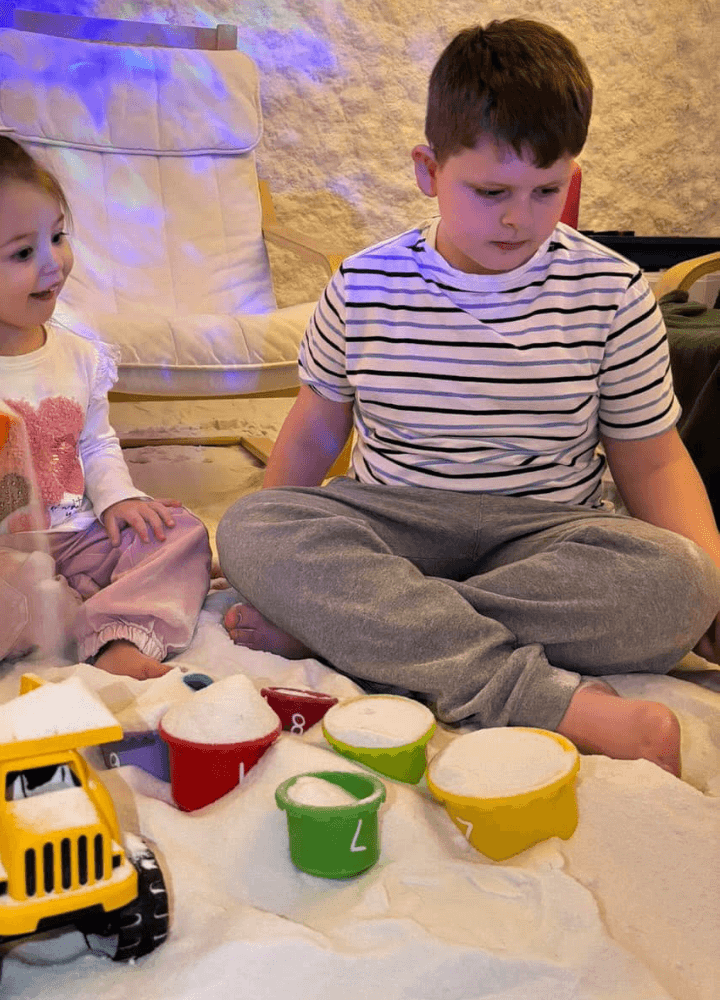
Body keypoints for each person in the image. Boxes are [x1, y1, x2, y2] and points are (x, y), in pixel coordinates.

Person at [215, 20, 720, 776]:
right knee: (252, 527)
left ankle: (362, 630)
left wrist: (711, 587)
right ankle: (542, 697)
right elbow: (315, 433)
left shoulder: (614, 291)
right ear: (428, 170)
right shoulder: (363, 284)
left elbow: (651, 462)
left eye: (547, 191)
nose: (519, 218)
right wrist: (262, 567)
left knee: (678, 582)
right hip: (395, 521)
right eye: (490, 192)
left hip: (546, 534)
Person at [0, 105, 211, 679]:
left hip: (73, 538)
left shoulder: (78, 354)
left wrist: (118, 498)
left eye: (58, 236)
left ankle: (113, 631)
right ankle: (89, 610)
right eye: (23, 253)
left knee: (182, 533)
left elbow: (95, 442)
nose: (54, 264)